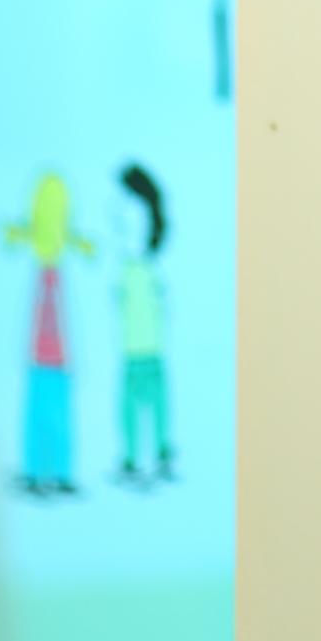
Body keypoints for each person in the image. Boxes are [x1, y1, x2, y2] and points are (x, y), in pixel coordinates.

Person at [4, 174, 94, 496]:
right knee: (35, 418)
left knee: (59, 419)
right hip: (36, 360)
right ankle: (33, 472)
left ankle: (60, 473)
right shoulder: (32, 267)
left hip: (61, 362)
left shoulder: (69, 269)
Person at [115, 164, 176, 486]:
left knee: (151, 407)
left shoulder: (144, 272)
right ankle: (137, 459)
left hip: (147, 352)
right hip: (134, 351)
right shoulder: (131, 270)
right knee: (133, 410)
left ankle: (154, 457)